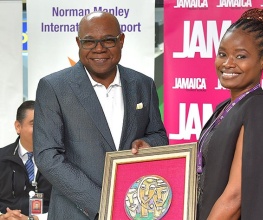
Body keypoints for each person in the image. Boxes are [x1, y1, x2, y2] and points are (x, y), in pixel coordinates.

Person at [33, 11, 168, 220]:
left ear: (121, 40)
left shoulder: (143, 84)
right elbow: (47, 157)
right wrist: (104, 204)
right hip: (76, 213)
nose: (99, 49)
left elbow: (159, 135)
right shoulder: (54, 87)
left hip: (135, 210)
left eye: (108, 40)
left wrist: (148, 143)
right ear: (78, 43)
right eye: (89, 42)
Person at [196, 8, 263, 220]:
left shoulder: (261, 109)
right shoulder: (224, 108)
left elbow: (236, 197)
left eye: (240, 56)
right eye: (222, 54)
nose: (228, 63)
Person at [0, 101, 52, 220]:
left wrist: (36, 219)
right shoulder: (2, 158)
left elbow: (67, 207)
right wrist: (3, 217)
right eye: (34, 124)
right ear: (18, 126)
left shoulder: (57, 161)